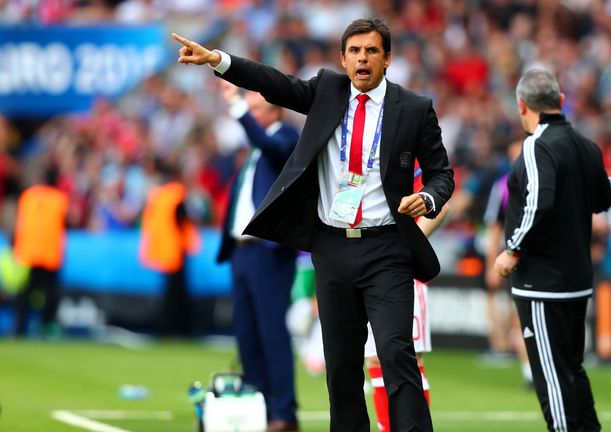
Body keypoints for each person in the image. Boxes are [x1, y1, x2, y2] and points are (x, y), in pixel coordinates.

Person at [173, 16, 454, 432]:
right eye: (355, 51)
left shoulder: (413, 109)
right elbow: (274, 82)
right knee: (341, 366)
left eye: (372, 50)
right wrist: (218, 59)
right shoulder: (326, 90)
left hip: (387, 249)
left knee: (396, 354)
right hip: (332, 248)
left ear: (388, 58)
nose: (363, 58)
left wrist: (428, 198)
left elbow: (442, 174)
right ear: (342, 58)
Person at [494, 69, 611, 432]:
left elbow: (538, 204)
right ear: (560, 102)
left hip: (543, 284)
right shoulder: (587, 145)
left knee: (552, 377)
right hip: (577, 278)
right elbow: (606, 196)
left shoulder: (536, 145)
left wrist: (513, 249)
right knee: (572, 370)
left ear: (522, 106)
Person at [215, 81, 300, 431]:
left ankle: (284, 411)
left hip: (269, 253)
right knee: (247, 333)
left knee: (271, 333)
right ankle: (257, 405)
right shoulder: (255, 150)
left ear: (274, 109)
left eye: (255, 108)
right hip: (243, 252)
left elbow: (268, 145)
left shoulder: (286, 138)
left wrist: (236, 105)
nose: (250, 114)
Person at [364, 161, 448, 432]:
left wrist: (410, 244)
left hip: (401, 271)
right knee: (375, 359)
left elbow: (440, 204)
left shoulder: (402, 154)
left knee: (408, 358)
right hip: (367, 268)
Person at [483, 141, 533, 387]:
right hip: (512, 258)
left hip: (540, 258)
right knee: (519, 315)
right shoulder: (502, 187)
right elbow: (494, 229)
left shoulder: (541, 183)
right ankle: (529, 371)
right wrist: (491, 264)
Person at [139, 165, 200, 337]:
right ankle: (178, 329)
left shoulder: (157, 196)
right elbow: (183, 217)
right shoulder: (177, 194)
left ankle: (166, 329)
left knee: (169, 293)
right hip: (177, 248)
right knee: (177, 293)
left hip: (163, 249)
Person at [12, 170, 68, 338]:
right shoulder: (60, 199)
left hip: (28, 252)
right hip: (49, 253)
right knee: (49, 293)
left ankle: (20, 327)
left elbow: (19, 222)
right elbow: (68, 221)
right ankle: (46, 327)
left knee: (25, 292)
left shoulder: (28, 196)